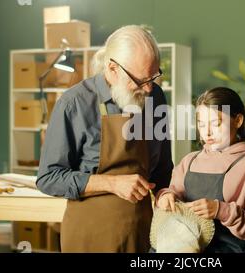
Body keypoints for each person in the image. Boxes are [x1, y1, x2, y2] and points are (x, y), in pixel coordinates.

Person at [36, 25, 173, 252]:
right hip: (90, 236)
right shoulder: (75, 104)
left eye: (154, 76)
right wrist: (113, 183)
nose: (149, 88)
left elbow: (163, 169)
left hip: (141, 234)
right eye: (141, 80)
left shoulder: (155, 97)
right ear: (112, 68)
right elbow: (49, 177)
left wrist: (165, 194)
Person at [155, 87, 245, 253]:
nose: (207, 132)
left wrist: (221, 211)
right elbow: (172, 192)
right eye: (201, 124)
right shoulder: (189, 161)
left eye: (216, 123)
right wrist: (165, 197)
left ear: (238, 120)